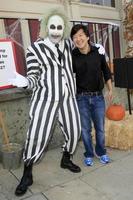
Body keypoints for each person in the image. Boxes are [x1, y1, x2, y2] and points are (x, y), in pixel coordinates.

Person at [9, 10, 105, 196]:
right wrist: (27, 82)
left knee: (74, 130)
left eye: (59, 27)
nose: (55, 31)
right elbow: (34, 76)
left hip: (67, 98)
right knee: (36, 135)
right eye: (52, 27)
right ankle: (27, 173)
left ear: (64, 29)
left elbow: (82, 45)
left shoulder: (69, 45)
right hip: (45, 99)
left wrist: (96, 48)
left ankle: (66, 159)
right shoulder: (34, 50)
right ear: (46, 27)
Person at [70, 24, 113, 167]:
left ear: (87, 37)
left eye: (81, 35)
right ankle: (88, 154)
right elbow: (67, 76)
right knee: (85, 129)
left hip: (98, 97)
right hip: (81, 98)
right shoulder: (72, 56)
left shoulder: (98, 53)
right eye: (75, 37)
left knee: (100, 128)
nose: (78, 39)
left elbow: (106, 72)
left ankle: (101, 152)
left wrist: (110, 89)